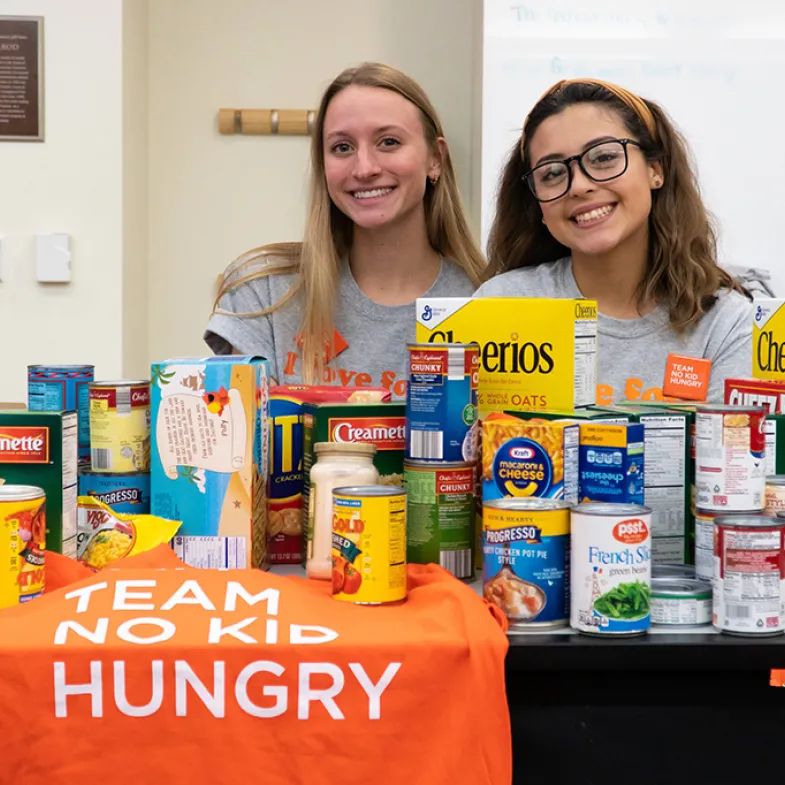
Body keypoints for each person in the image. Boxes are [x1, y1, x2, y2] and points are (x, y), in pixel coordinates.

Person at [205, 62, 485, 398]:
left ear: (435, 159)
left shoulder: (487, 301)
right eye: (342, 147)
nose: (364, 168)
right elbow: (237, 440)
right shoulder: (263, 292)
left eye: (389, 142)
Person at [475, 78, 753, 405]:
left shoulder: (726, 324)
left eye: (604, 157)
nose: (579, 186)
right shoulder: (502, 305)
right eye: (552, 173)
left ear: (655, 169)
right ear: (537, 204)